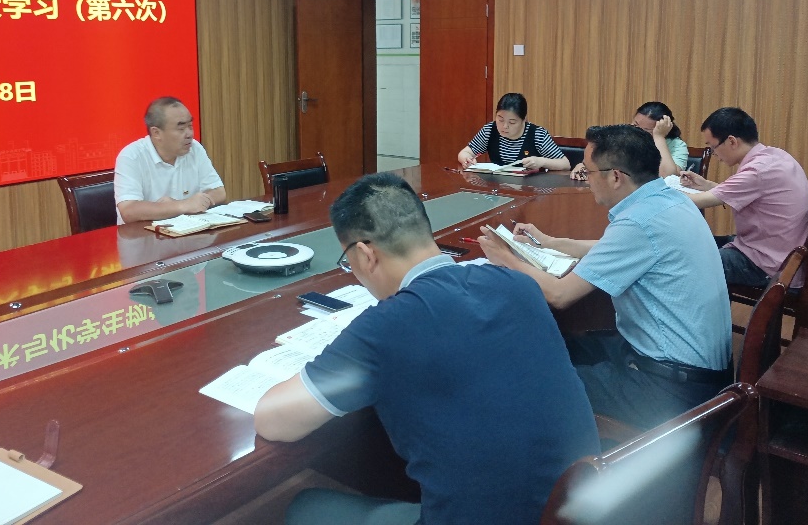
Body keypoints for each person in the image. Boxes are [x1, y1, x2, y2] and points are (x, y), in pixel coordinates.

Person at [254, 173, 599, 525]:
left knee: (307, 507)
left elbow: (275, 422)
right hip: (578, 510)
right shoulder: (517, 284)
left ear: (365, 254)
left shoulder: (388, 326)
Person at [479, 124, 732, 430]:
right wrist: (551, 243)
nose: (586, 179)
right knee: (552, 344)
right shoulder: (669, 200)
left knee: (528, 379)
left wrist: (504, 257)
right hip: (692, 370)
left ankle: (557, 455)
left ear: (615, 177)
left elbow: (559, 295)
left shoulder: (638, 222)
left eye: (588, 171)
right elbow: (619, 248)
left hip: (671, 388)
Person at [680, 107, 808, 288]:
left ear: (732, 141)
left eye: (713, 147)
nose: (715, 154)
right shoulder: (775, 156)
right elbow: (739, 191)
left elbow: (693, 202)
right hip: (784, 252)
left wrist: (657, 190)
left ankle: (708, 306)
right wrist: (706, 185)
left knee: (691, 261)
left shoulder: (757, 171)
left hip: (769, 265)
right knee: (701, 244)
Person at [113, 97, 226, 224]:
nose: (189, 134)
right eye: (181, 129)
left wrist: (193, 203)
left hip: (187, 230)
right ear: (156, 133)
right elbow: (129, 210)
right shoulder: (131, 157)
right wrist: (183, 205)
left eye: (190, 126)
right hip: (144, 234)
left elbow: (219, 192)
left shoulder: (194, 149)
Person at [570, 101, 688, 179]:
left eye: (646, 130)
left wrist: (659, 137)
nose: (637, 131)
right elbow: (604, 160)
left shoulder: (677, 145)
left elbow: (668, 176)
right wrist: (584, 166)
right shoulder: (626, 136)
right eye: (635, 125)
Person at [457, 92, 570, 171]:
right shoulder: (489, 130)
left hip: (529, 191)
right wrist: (466, 160)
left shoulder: (537, 135)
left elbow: (565, 164)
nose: (504, 126)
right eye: (500, 119)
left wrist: (541, 162)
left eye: (512, 122)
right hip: (497, 189)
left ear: (524, 120)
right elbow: (464, 153)